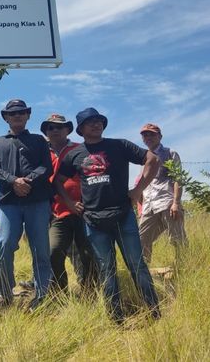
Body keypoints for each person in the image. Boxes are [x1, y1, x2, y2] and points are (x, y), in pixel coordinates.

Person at [55, 108, 160, 322]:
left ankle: (154, 312)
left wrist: (138, 190)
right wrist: (69, 203)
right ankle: (116, 319)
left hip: (123, 215)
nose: (96, 124)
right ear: (81, 129)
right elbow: (57, 180)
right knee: (106, 270)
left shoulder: (119, 145)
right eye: (90, 122)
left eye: (99, 121)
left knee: (137, 265)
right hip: (93, 221)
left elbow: (152, 159)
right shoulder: (75, 154)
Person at [0, 99, 53, 309]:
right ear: (6, 117)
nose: (17, 116)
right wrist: (13, 181)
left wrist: (28, 181)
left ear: (28, 115)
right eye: (12, 113)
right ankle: (5, 293)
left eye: (21, 112)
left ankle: (43, 294)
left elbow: (46, 166)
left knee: (40, 248)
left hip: (37, 202)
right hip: (9, 203)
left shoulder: (39, 141)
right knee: (4, 244)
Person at [41, 113, 98, 293]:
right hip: (56, 212)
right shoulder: (41, 152)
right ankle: (60, 294)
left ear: (68, 129)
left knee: (88, 253)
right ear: (46, 132)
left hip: (84, 210)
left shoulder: (80, 149)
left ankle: (90, 293)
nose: (55, 130)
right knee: (53, 252)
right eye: (51, 127)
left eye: (60, 127)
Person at [138, 123, 186, 264]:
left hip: (167, 202)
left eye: (152, 134)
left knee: (177, 238)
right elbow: (142, 183)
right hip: (149, 205)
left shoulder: (170, 153)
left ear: (160, 136)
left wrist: (176, 203)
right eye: (145, 135)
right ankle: (145, 272)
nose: (148, 137)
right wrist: (141, 204)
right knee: (142, 238)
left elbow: (178, 178)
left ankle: (184, 267)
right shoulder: (144, 157)